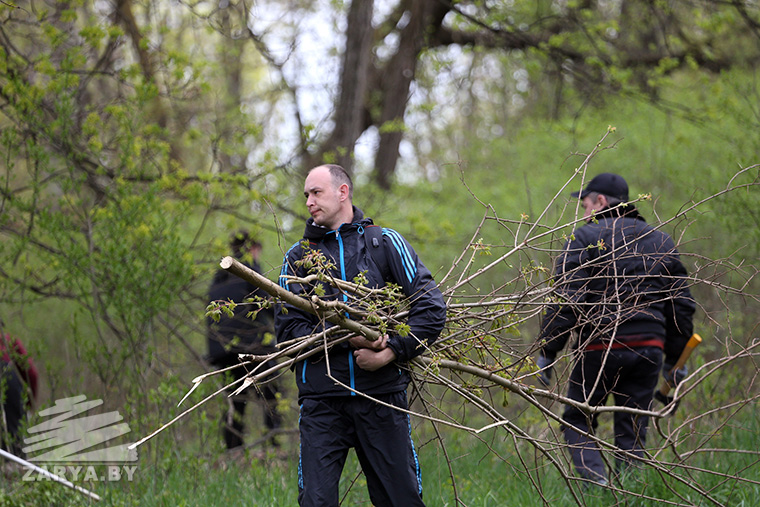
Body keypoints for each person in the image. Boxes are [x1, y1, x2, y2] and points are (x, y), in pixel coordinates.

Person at [276, 164, 447, 506]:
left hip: (381, 397)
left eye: (316, 192)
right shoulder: (298, 259)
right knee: (316, 501)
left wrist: (392, 351)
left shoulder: (383, 242)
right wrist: (345, 336)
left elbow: (431, 308)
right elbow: (288, 334)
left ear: (343, 192)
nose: (309, 201)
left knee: (400, 500)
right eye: (306, 195)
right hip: (322, 401)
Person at [535, 172, 695, 485]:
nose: (583, 213)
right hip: (649, 348)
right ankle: (630, 496)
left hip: (599, 346)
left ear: (601, 201)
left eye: (585, 205)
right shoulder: (661, 241)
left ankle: (597, 484)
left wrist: (547, 353)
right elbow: (681, 307)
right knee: (632, 433)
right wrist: (676, 362)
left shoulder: (584, 239)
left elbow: (566, 300)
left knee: (576, 420)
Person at [206, 231, 282, 450]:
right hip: (252, 347)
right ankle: (274, 442)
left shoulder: (218, 277)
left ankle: (233, 449)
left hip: (222, 351)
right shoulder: (249, 271)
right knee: (272, 393)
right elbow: (273, 305)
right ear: (252, 249)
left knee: (235, 401)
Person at [1, 320, 39, 458]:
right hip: (9, 382)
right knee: (14, 440)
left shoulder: (9, 341)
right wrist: (28, 403)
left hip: (7, 384)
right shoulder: (8, 340)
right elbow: (31, 374)